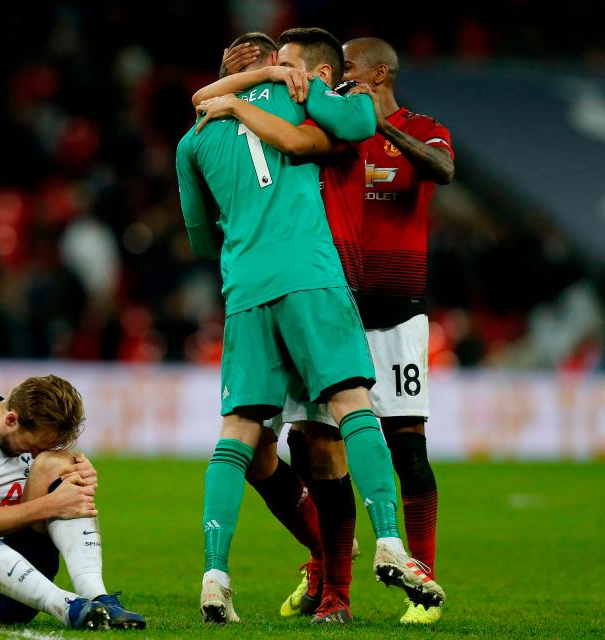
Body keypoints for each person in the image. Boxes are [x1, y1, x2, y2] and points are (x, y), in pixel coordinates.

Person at [176, 29, 445, 625]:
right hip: (315, 278)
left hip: (244, 288)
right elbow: (345, 128)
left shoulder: (192, 136)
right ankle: (388, 544)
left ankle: (215, 576)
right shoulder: (301, 95)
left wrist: (234, 105)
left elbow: (199, 238)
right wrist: (285, 89)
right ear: (281, 64)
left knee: (241, 432)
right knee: (353, 409)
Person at [191, 28, 369, 624]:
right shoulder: (273, 96)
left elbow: (308, 137)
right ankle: (323, 558)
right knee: (269, 447)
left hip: (321, 279)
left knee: (321, 442)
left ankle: (337, 591)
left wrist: (244, 97)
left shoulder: (315, 105)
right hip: (284, 283)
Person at [338, 36, 455, 625]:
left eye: (349, 68)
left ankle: (424, 582)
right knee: (318, 445)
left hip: (400, 310)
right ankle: (328, 580)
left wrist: (387, 133)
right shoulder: (339, 128)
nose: (340, 76)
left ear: (379, 73)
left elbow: (443, 169)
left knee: (407, 443)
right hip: (338, 307)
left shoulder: (423, 128)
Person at [0, 374, 145, 630]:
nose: (33, 455)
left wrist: (77, 479)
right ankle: (66, 606)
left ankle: (99, 598)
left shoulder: (35, 445)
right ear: (11, 420)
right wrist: (51, 504)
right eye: (32, 447)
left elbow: (54, 471)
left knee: (60, 464)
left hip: (18, 590)